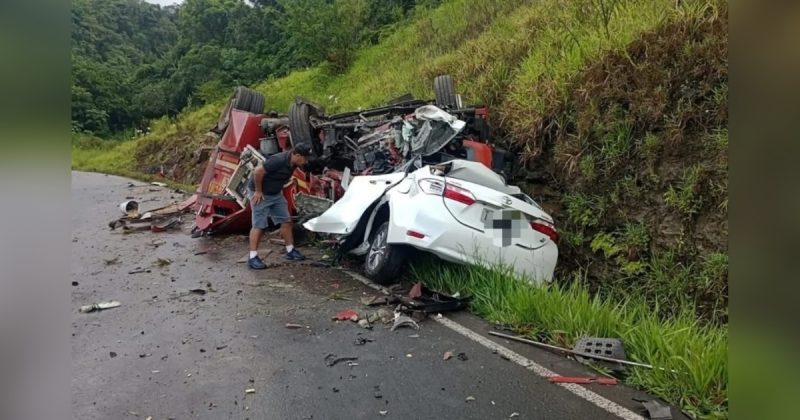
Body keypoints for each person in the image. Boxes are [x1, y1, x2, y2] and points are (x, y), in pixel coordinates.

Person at [246, 144, 312, 269]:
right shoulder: (278, 160)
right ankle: (253, 257)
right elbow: (258, 171)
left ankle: (290, 250)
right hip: (261, 194)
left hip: (276, 194)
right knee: (259, 225)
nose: (306, 161)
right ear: (297, 155)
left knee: (286, 221)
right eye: (305, 158)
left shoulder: (294, 163)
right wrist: (258, 191)